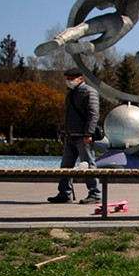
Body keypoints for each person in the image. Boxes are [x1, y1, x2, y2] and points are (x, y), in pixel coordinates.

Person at [48, 67, 102, 204]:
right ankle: (64, 193)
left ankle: (95, 193)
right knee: (66, 166)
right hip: (70, 135)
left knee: (88, 165)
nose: (69, 81)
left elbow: (93, 114)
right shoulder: (70, 93)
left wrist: (88, 133)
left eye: (72, 79)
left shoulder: (89, 92)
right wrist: (64, 131)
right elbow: (68, 116)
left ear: (80, 79)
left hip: (83, 136)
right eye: (68, 79)